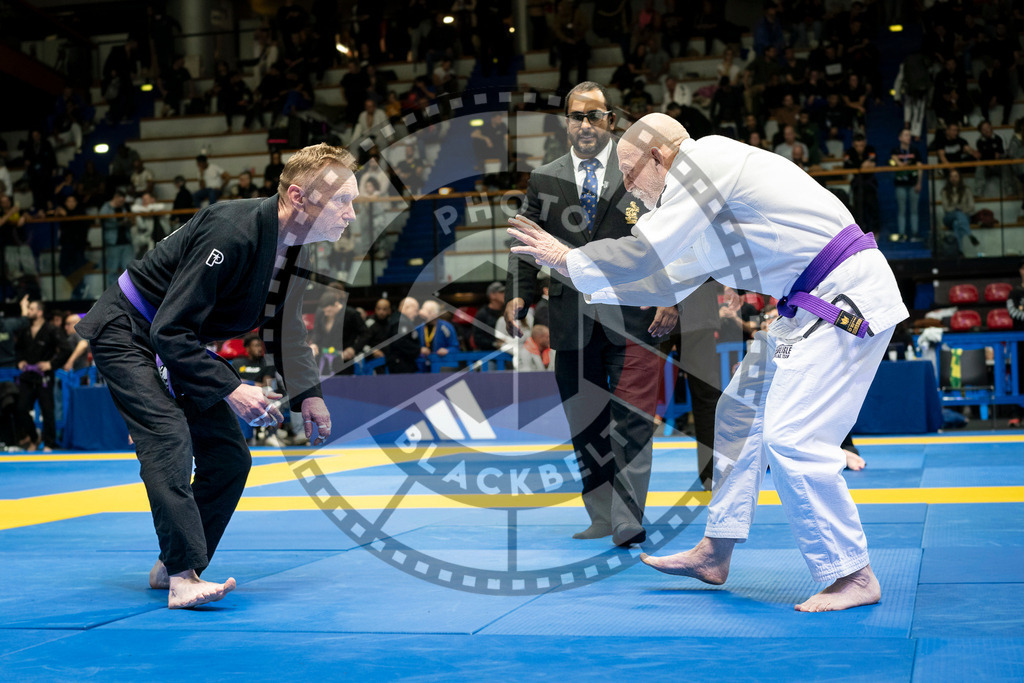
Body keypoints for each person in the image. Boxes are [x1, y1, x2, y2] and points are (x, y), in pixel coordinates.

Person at [508, 112, 909, 612]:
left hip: (841, 299)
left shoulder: (708, 160)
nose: (629, 191)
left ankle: (852, 574)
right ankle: (716, 550)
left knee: (793, 438)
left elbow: (648, 252)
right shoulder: (698, 210)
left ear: (660, 156)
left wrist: (570, 258)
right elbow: (662, 281)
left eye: (631, 174)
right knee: (738, 413)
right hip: (803, 307)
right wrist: (571, 268)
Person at [76, 143, 353, 609]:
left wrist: (309, 395)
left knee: (229, 457)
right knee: (167, 436)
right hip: (129, 330)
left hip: (176, 341)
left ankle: (170, 564)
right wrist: (231, 388)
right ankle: (184, 578)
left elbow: (285, 327)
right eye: (343, 200)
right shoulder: (233, 229)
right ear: (299, 198)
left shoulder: (294, 251)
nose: (351, 213)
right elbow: (169, 327)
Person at [505, 83, 679, 548]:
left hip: (634, 316)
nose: (585, 124)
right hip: (570, 319)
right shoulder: (545, 178)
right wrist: (518, 294)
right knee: (586, 422)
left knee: (634, 419)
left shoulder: (638, 171)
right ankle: (601, 514)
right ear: (567, 120)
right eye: (577, 116)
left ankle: (627, 517)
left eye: (594, 115)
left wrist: (672, 294)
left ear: (610, 120)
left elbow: (670, 237)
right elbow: (526, 243)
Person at [15, 299, 60, 450]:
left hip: (44, 376)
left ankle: (49, 443)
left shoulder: (51, 329)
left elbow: (65, 349)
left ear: (40, 312)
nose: (29, 312)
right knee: (21, 408)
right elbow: (18, 348)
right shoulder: (25, 329)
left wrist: (51, 364)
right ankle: (34, 437)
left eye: (31, 309)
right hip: (27, 376)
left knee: (47, 410)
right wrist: (20, 360)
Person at [310, 288, 366, 376]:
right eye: (324, 311)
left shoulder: (351, 314)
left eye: (328, 311)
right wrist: (314, 343)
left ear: (336, 304)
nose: (326, 314)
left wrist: (354, 348)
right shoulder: (321, 312)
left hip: (344, 358)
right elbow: (317, 331)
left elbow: (365, 334)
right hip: (324, 357)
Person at [889, 129, 923, 242]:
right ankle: (902, 235)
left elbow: (920, 167)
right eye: (906, 135)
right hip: (900, 184)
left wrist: (919, 182)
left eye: (909, 135)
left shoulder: (915, 150)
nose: (908, 137)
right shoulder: (895, 150)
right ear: (900, 138)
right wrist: (899, 163)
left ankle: (914, 234)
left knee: (914, 209)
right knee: (902, 210)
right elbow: (893, 161)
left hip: (913, 184)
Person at [101, 190, 134, 288]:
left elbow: (131, 218)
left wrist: (128, 221)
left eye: (122, 201)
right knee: (112, 269)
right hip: (113, 243)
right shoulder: (106, 207)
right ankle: (112, 295)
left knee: (128, 269)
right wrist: (118, 223)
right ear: (115, 197)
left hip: (126, 241)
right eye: (119, 201)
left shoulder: (124, 207)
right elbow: (103, 218)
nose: (121, 203)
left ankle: (129, 294)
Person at [940, 169, 978, 255]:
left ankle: (960, 251)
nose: (954, 178)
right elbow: (946, 208)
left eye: (956, 176)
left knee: (957, 223)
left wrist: (963, 210)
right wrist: (957, 209)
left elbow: (972, 207)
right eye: (951, 176)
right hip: (949, 217)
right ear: (949, 178)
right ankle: (969, 234)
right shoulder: (945, 191)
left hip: (964, 216)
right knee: (957, 213)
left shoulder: (966, 190)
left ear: (960, 178)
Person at [415, 300, 460, 371]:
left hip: (442, 366)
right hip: (422, 367)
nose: (423, 314)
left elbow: (456, 347)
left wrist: (447, 351)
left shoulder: (446, 327)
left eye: (428, 311)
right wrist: (419, 349)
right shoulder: (418, 328)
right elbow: (411, 347)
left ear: (435, 314)